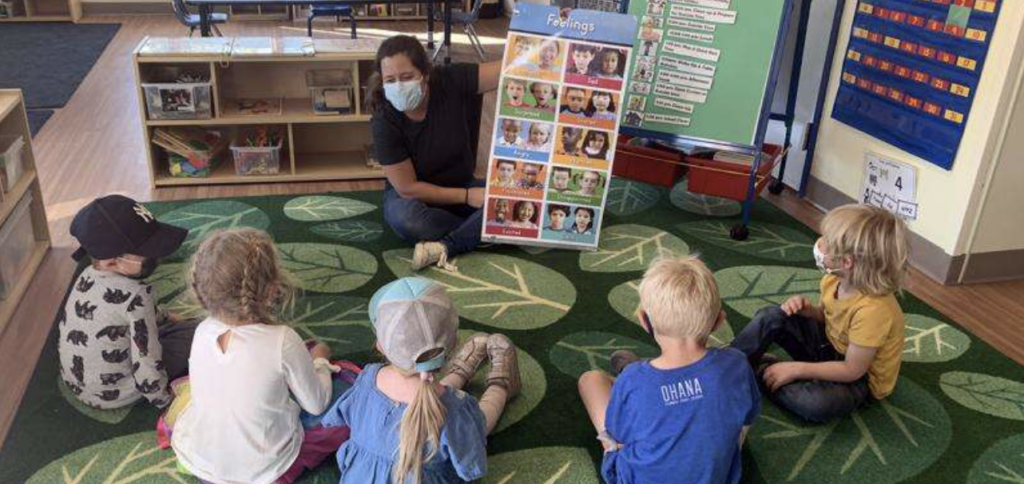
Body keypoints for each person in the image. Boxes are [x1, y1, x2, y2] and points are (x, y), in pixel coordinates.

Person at [171, 228, 345, 484]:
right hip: (265, 471)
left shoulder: (202, 330)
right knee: (349, 392)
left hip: (201, 462)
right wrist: (320, 362)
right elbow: (315, 404)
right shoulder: (283, 339)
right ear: (272, 289)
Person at [320, 277, 522, 484]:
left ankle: (461, 373)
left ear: (380, 345)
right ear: (453, 346)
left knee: (437, 400)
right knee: (475, 419)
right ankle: (502, 385)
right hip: (442, 418)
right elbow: (470, 457)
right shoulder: (456, 410)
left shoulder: (367, 378)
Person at [578, 256, 761, 484]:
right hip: (717, 477)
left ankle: (635, 373)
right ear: (719, 321)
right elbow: (749, 417)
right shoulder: (737, 363)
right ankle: (638, 374)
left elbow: (619, 433)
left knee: (591, 379)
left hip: (635, 477)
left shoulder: (634, 380)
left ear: (644, 321)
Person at [730, 204, 909, 423]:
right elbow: (829, 319)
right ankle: (729, 366)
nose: (819, 244)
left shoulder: (874, 312)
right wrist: (809, 311)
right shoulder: (834, 278)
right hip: (830, 345)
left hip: (858, 378)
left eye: (825, 240)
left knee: (817, 405)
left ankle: (763, 374)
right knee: (771, 315)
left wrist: (797, 369)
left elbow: (852, 369)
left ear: (847, 262)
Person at [368, 35, 501, 272]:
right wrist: (468, 197)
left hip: (462, 183)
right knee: (410, 221)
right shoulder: (383, 119)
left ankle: (448, 244)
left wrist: (547, 46)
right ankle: (486, 227)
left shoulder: (450, 79)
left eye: (407, 77)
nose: (398, 86)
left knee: (512, 196)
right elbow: (407, 188)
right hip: (415, 198)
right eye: (390, 80)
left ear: (425, 74)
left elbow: (506, 71)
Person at [60, 195, 192, 410]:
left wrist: (166, 317)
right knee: (196, 333)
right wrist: (164, 399)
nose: (156, 256)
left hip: (78, 382)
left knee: (160, 326)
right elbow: (147, 360)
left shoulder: (86, 275)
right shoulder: (137, 295)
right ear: (113, 261)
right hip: (120, 391)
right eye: (147, 253)